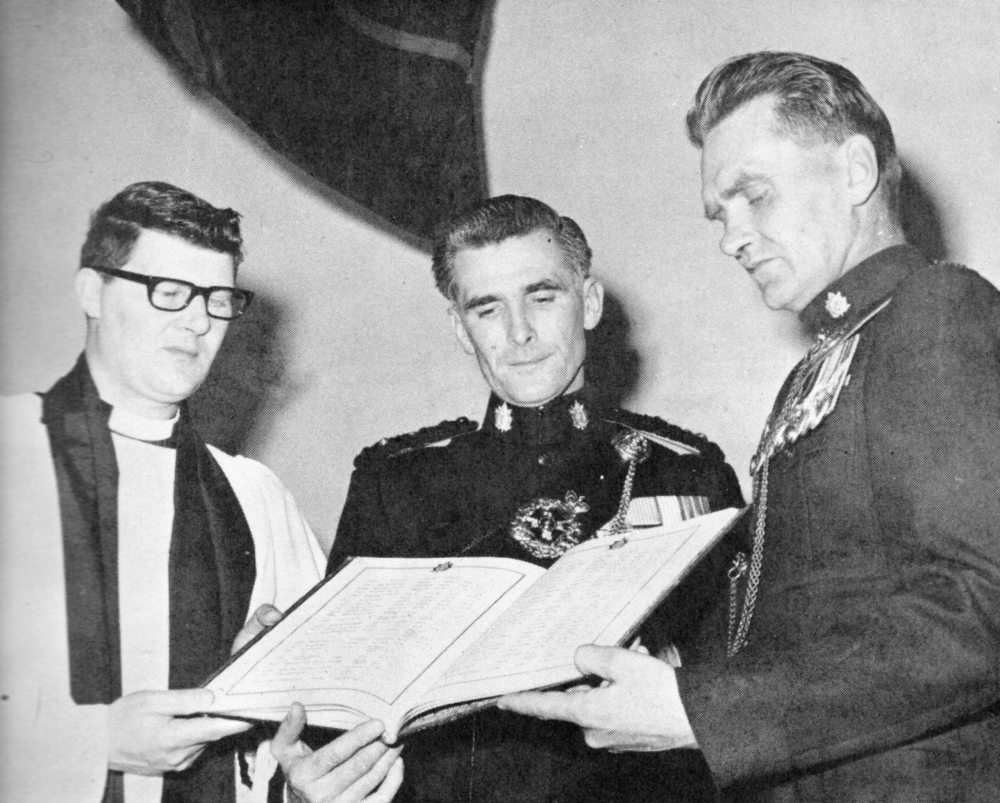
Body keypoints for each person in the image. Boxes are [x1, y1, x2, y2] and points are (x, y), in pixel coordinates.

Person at [499, 52, 1000, 801]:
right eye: (719, 213)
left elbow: (983, 599)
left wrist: (698, 710)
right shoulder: (829, 359)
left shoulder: (933, 311)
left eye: (753, 196)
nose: (730, 237)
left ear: (856, 171)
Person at [328, 194, 745, 802]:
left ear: (591, 302)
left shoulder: (686, 474)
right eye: (487, 309)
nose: (519, 333)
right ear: (459, 329)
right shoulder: (397, 485)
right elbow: (344, 709)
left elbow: (735, 685)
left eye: (542, 297)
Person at [0, 182, 403, 803]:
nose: (198, 321)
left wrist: (300, 769)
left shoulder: (255, 497)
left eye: (218, 298)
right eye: (169, 292)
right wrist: (91, 741)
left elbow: (300, 747)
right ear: (92, 292)